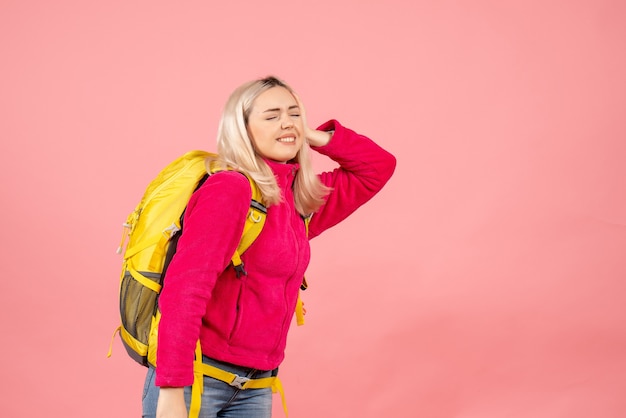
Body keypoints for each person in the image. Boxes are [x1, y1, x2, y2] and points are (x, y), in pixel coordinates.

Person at [142, 75, 396, 418]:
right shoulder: (230, 189)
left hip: (256, 385)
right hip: (197, 381)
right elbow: (185, 288)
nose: (287, 122)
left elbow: (378, 168)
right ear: (242, 129)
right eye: (271, 116)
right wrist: (171, 390)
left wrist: (309, 134)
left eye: (294, 113)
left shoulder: (298, 199)